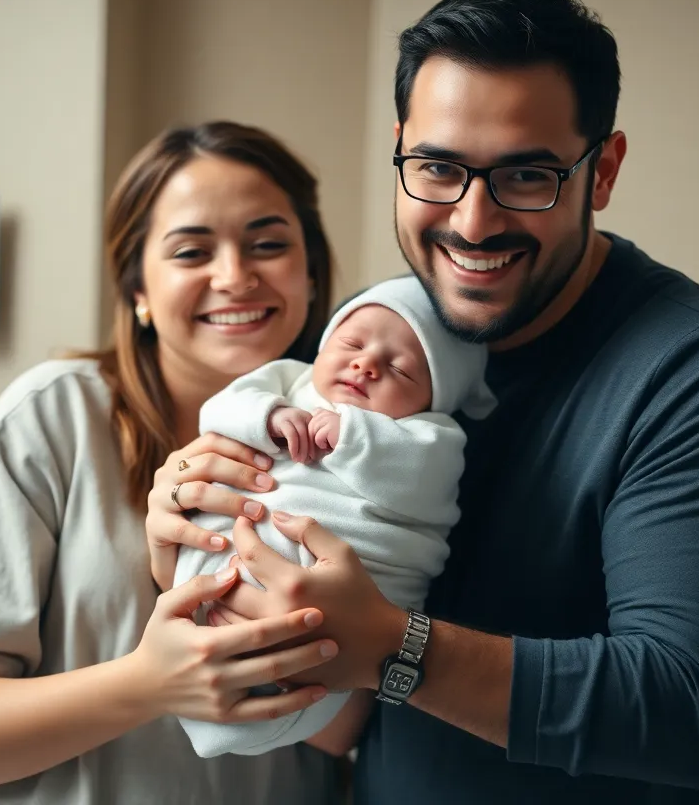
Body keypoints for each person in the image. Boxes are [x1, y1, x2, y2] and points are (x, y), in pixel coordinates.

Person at [143, 0, 699, 804]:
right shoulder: (378, 344)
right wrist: (196, 546)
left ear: (601, 171)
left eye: (527, 176)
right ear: (400, 150)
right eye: (437, 168)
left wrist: (394, 646)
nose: (471, 222)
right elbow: (337, 707)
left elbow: (692, 713)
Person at [0, 121, 347, 804]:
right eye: (191, 252)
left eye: (268, 245)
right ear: (138, 291)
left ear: (310, 271)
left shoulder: (356, 443)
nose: (235, 276)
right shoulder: (55, 418)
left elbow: (345, 727)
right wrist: (148, 683)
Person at [169, 274, 496, 758]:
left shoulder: (432, 436)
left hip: (338, 604)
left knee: (295, 662)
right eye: (351, 343)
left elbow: (418, 481)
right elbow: (220, 410)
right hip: (232, 556)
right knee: (203, 619)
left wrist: (353, 436)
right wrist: (269, 418)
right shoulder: (287, 382)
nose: (365, 364)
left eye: (400, 370)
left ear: (433, 401)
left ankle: (259, 706)